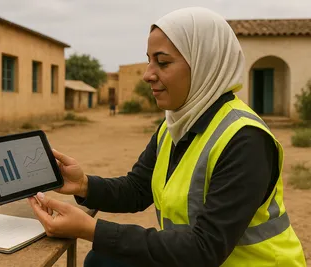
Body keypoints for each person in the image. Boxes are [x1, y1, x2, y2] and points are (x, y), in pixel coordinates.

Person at [28, 7, 306, 267]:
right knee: (102, 260)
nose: (148, 75)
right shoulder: (175, 124)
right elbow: (138, 189)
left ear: (203, 64)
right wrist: (83, 185)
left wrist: (92, 230)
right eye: (150, 61)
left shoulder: (245, 140)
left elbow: (205, 248)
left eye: (162, 63)